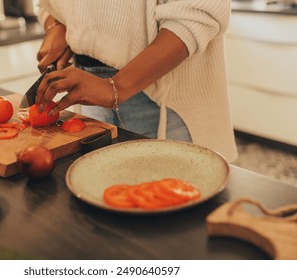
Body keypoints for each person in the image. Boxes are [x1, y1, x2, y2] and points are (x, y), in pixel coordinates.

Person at [35, 0, 238, 162]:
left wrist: (117, 85)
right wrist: (56, 25)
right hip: (87, 90)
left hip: (165, 101)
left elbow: (198, 12)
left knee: (178, 198)